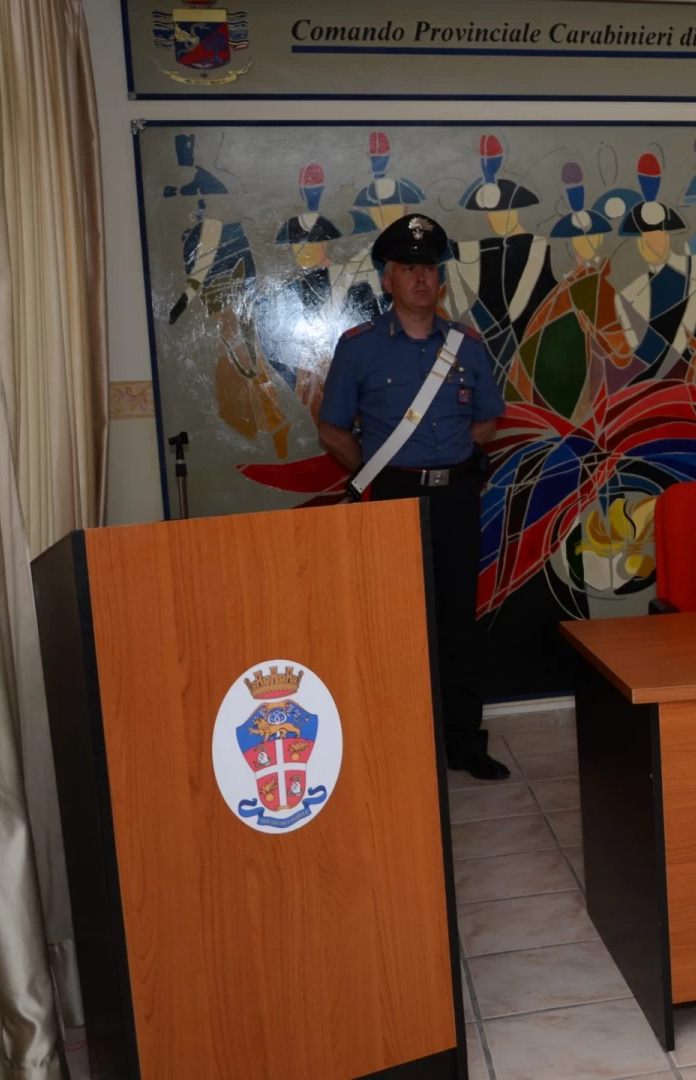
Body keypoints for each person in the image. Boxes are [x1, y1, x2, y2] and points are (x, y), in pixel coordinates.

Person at [317, 212, 510, 781]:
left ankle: (464, 743)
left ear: (440, 280)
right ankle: (402, 741)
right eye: (408, 268)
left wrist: (448, 462)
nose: (420, 278)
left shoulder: (466, 346)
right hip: (393, 499)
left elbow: (487, 420)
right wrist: (381, 473)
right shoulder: (359, 347)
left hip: (455, 498)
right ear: (387, 280)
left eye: (429, 269)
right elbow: (331, 428)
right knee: (397, 621)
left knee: (457, 624)